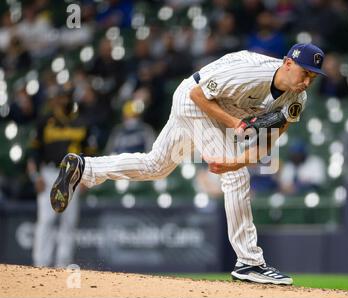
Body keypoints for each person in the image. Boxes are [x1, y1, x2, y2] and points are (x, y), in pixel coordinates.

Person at [50, 43, 326, 285]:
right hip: (194, 99)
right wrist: (235, 127)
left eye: (313, 78)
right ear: (288, 64)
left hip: (219, 110)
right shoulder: (251, 73)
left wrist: (234, 162)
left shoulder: (297, 98)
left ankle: (84, 168)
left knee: (156, 166)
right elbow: (197, 95)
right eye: (304, 74)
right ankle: (249, 262)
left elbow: (266, 145)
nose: (307, 82)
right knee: (238, 179)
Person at [27, 84, 96, 267]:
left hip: (73, 175)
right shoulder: (45, 121)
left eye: (65, 96)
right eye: (59, 96)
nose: (62, 100)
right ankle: (40, 265)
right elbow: (33, 153)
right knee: (47, 220)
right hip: (49, 172)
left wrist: (86, 178)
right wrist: (35, 176)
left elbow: (90, 154)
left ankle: (63, 264)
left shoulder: (83, 121)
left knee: (69, 222)